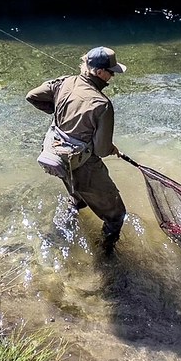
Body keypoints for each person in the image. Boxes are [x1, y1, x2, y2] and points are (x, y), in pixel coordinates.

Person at [27, 46, 128, 255]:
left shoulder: (63, 82)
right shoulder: (103, 105)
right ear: (99, 72)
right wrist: (111, 148)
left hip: (56, 156)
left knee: (78, 196)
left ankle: (68, 218)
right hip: (84, 165)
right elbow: (100, 150)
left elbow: (33, 96)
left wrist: (58, 112)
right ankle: (105, 256)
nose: (112, 77)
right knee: (116, 215)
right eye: (111, 72)